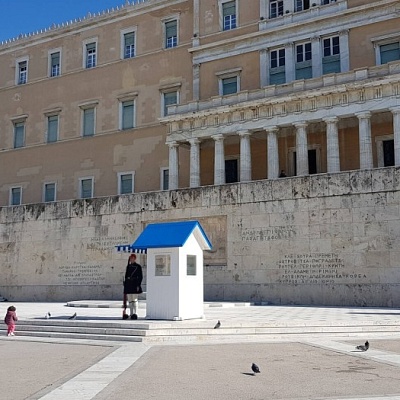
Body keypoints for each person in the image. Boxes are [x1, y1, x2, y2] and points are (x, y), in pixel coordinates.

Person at [123, 254, 143, 320]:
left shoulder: (138, 266)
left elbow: (140, 277)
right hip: (129, 284)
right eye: (131, 258)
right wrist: (125, 284)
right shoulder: (128, 266)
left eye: (132, 258)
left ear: (135, 258)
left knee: (134, 299)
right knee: (130, 300)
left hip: (134, 284)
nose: (131, 259)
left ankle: (135, 313)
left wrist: (138, 285)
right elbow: (126, 276)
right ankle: (131, 313)